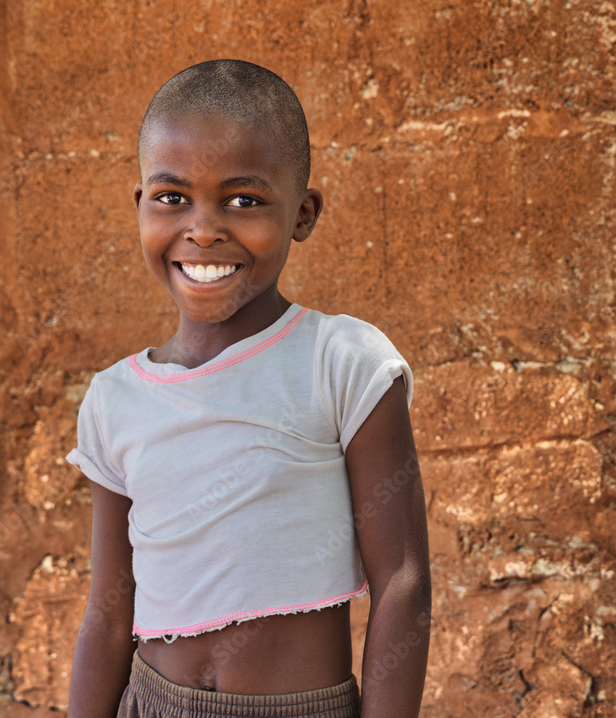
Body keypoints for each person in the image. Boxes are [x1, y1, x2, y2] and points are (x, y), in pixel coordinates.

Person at [66, 59, 431, 718]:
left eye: (243, 200)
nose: (204, 229)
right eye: (172, 197)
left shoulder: (341, 362)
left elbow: (402, 582)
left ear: (303, 214)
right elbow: (107, 614)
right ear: (141, 204)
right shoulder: (115, 399)